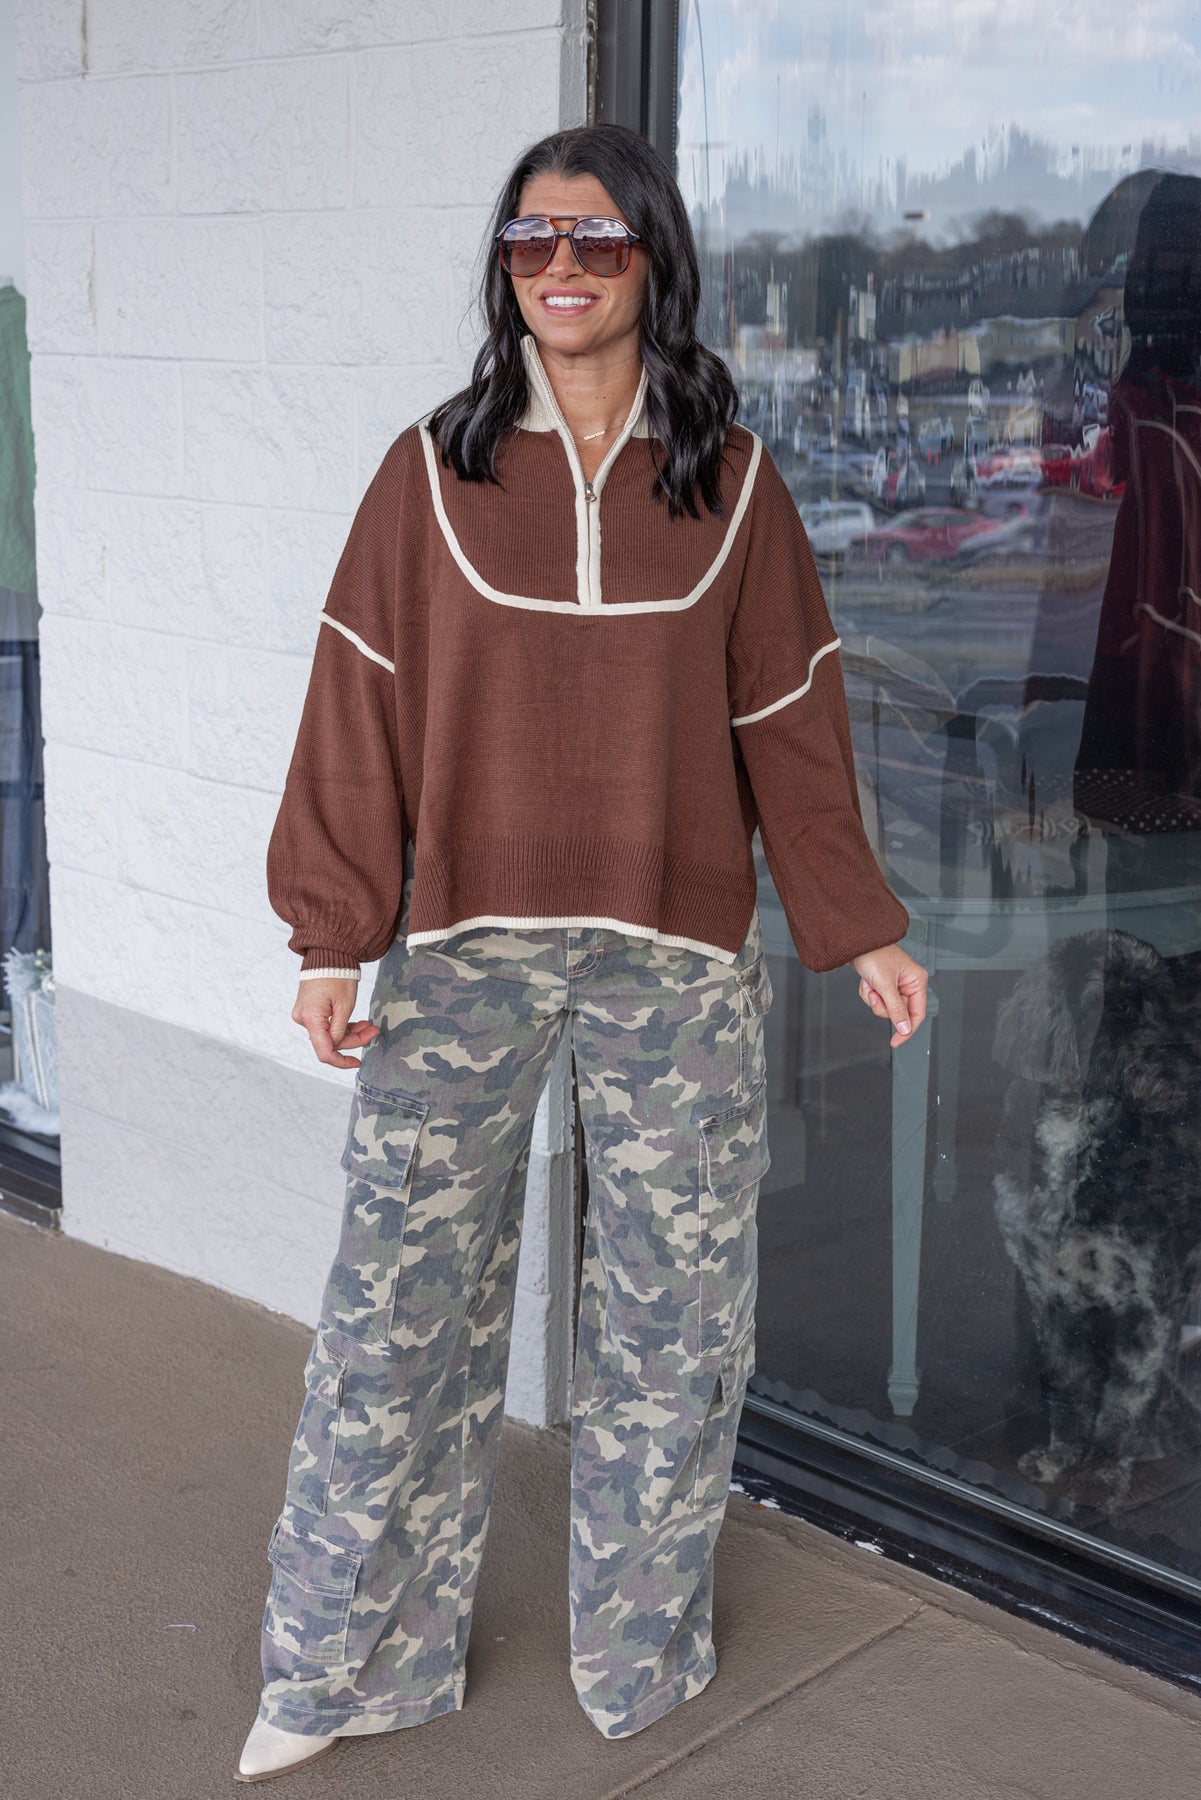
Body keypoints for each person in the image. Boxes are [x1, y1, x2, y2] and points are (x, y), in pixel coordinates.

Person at [235, 122, 927, 1785]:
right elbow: (355, 705)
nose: (559, 268)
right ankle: (338, 1668)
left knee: (675, 1323)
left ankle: (639, 1653)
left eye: (596, 241)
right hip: (463, 952)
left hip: (673, 961)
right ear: (505, 268)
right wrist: (332, 936)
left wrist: (859, 924)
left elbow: (790, 719)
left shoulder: (732, 481)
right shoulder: (430, 471)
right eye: (530, 241)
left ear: (651, 264)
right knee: (396, 1317)